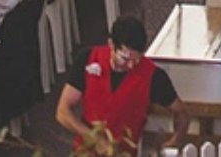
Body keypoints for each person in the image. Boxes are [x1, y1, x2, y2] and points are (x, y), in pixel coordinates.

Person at [56, 15, 189, 154]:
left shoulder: (154, 76)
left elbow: (182, 113)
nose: (131, 65)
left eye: (136, 59)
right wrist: (95, 139)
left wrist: (175, 141)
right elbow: (63, 111)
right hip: (85, 150)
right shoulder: (87, 58)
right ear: (111, 44)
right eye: (124, 58)